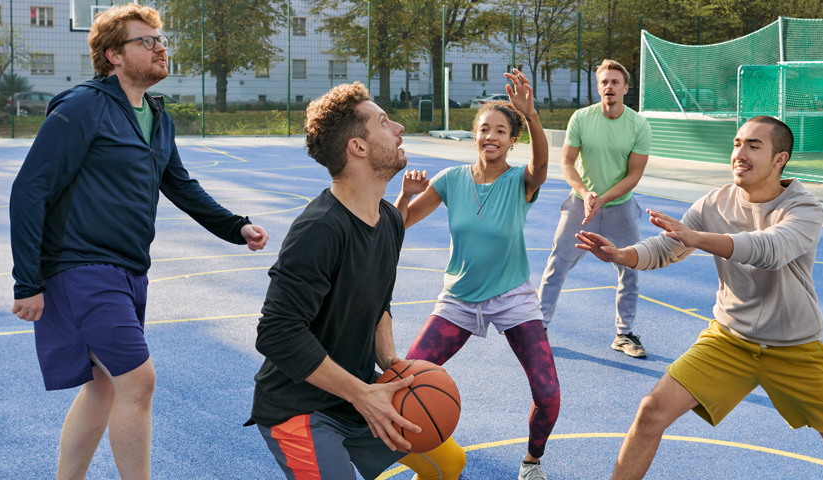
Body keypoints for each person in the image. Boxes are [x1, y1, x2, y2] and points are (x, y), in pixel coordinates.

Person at [8, 5, 269, 479]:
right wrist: (26, 281)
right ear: (113, 55)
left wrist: (236, 227)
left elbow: (181, 185)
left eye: (160, 40)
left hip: (129, 270)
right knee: (139, 382)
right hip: (81, 266)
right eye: (145, 41)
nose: (160, 47)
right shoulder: (83, 106)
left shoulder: (156, 118)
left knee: (105, 386)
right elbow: (30, 190)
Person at [577, 117, 823, 480]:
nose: (739, 154)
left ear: (780, 160)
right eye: (737, 143)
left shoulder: (804, 209)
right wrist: (623, 255)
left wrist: (698, 238)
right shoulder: (714, 203)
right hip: (729, 341)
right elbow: (667, 247)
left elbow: (768, 249)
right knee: (651, 411)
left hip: (795, 350)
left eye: (753, 146)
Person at [248, 82, 426, 480]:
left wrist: (390, 362)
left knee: (448, 462)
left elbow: (379, 301)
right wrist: (362, 394)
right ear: (358, 147)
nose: (398, 127)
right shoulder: (320, 228)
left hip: (357, 397)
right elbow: (275, 332)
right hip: (300, 407)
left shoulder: (390, 219)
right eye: (384, 121)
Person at [395, 69, 554, 480]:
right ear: (474, 134)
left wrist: (531, 115)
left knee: (548, 395)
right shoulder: (451, 181)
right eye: (485, 129)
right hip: (459, 301)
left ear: (511, 140)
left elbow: (540, 164)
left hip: (512, 298)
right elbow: (400, 222)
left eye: (501, 131)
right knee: (403, 384)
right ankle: (431, 461)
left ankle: (531, 462)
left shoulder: (522, 182)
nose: (491, 137)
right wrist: (405, 195)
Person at [537, 59, 653, 358]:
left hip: (621, 209)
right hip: (580, 206)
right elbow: (566, 162)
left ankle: (624, 334)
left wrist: (603, 198)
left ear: (625, 88)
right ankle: (539, 329)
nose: (609, 86)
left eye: (615, 82)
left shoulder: (639, 124)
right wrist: (587, 193)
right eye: (604, 82)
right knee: (556, 264)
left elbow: (634, 174)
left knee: (630, 269)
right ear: (598, 87)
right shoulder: (581, 118)